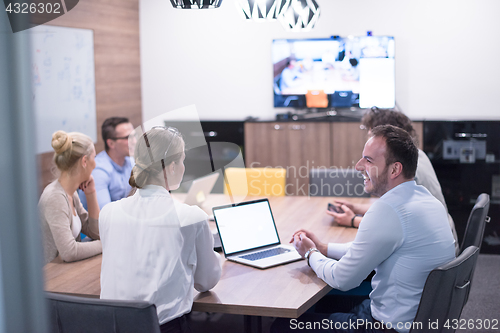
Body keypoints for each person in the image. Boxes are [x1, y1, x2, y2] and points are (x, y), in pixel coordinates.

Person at [278, 125, 455, 333]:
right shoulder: (426, 200)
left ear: (394, 169)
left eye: (368, 160)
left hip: (385, 327)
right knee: (322, 304)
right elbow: (367, 248)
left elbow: (342, 279)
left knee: (282, 326)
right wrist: (324, 248)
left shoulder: (388, 210)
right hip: (416, 319)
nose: (358, 166)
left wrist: (309, 253)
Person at [99, 127, 221, 333]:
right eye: (182, 160)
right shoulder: (190, 217)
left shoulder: (108, 212)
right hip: (165, 328)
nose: (184, 166)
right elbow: (205, 281)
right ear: (171, 167)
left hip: (111, 326)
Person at [330, 108, 459, 254]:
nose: (369, 141)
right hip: (442, 243)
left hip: (433, 254)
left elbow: (390, 225)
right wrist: (358, 209)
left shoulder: (404, 172)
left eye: (373, 135)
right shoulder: (417, 155)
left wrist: (353, 220)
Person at [39, 131, 101, 264]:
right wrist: (105, 244)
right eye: (94, 158)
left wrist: (91, 193)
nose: (95, 164)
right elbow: (69, 252)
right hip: (52, 278)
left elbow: (95, 232)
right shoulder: (54, 198)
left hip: (68, 272)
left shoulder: (71, 192)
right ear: (84, 161)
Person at [78, 117, 135, 209]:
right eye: (127, 137)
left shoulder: (130, 162)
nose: (135, 141)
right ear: (111, 143)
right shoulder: (98, 171)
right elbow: (104, 213)